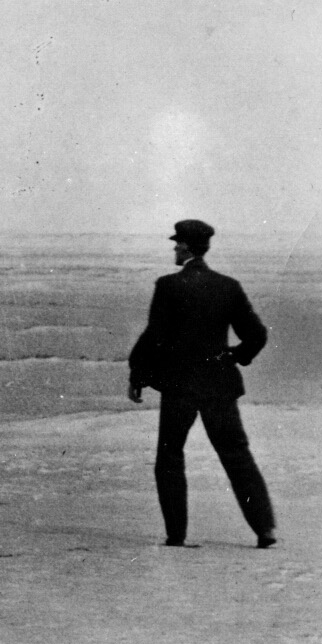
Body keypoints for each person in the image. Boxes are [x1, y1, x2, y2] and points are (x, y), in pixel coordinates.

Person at [126, 219, 275, 548]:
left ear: (187, 248)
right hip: (219, 385)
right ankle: (265, 530)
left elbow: (155, 337)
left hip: (179, 387)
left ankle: (176, 535)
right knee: (237, 455)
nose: (174, 248)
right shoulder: (228, 286)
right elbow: (257, 334)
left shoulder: (168, 286)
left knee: (169, 457)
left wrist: (138, 373)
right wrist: (232, 357)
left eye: (177, 244)